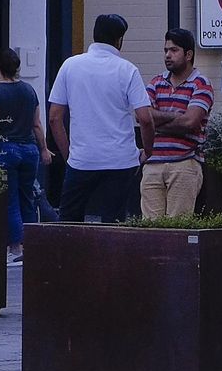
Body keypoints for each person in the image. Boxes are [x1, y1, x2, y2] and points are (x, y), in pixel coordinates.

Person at [47, 14, 155, 224]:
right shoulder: (127, 70)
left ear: (94, 36)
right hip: (121, 160)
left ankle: (74, 256)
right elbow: (145, 118)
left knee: (69, 219)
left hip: (82, 159)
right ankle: (110, 257)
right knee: (112, 222)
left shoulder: (70, 66)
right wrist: (148, 151)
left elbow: (54, 118)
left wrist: (70, 154)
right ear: (119, 40)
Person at [0, 47, 50, 264]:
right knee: (27, 199)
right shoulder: (29, 90)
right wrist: (44, 149)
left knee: (10, 201)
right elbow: (37, 124)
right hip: (30, 150)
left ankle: (14, 247)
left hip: (6, 150)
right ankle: (31, 247)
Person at [141, 28, 213, 218]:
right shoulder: (155, 82)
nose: (167, 55)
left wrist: (156, 121)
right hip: (153, 163)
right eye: (166, 50)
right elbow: (143, 117)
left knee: (177, 228)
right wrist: (175, 115)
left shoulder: (200, 84)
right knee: (150, 229)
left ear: (188, 54)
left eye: (174, 50)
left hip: (185, 163)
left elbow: (190, 122)